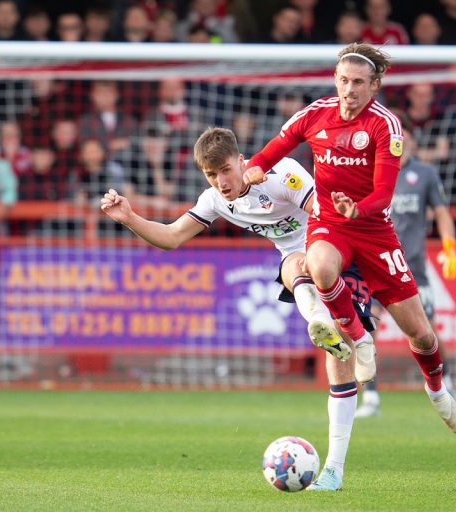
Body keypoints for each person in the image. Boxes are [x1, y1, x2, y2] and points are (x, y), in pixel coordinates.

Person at [243, 43, 456, 489]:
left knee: (420, 333)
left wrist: (357, 208)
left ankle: (438, 388)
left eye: (358, 82)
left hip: (375, 230)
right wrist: (255, 166)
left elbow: (385, 192)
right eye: (343, 80)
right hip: (330, 223)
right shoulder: (315, 114)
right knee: (320, 267)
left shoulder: (385, 125)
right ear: (335, 80)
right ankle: (360, 339)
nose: (349, 90)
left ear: (374, 85)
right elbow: (277, 145)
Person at [101, 126, 375, 490]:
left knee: (406, 331)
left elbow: (326, 216)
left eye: (225, 170)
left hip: (339, 246)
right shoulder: (214, 200)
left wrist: (318, 255)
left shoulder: (282, 174)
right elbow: (171, 237)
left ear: (241, 160)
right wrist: (130, 218)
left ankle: (328, 322)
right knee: (325, 332)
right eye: (211, 174)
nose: (221, 181)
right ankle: (333, 471)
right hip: (299, 262)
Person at [355, 112, 456, 419]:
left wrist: (450, 246)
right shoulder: (371, 173)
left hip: (411, 268)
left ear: (410, 142)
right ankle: (371, 398)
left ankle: (448, 385)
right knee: (365, 330)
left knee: (426, 333)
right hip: (373, 266)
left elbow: (441, 213)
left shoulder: (425, 174)